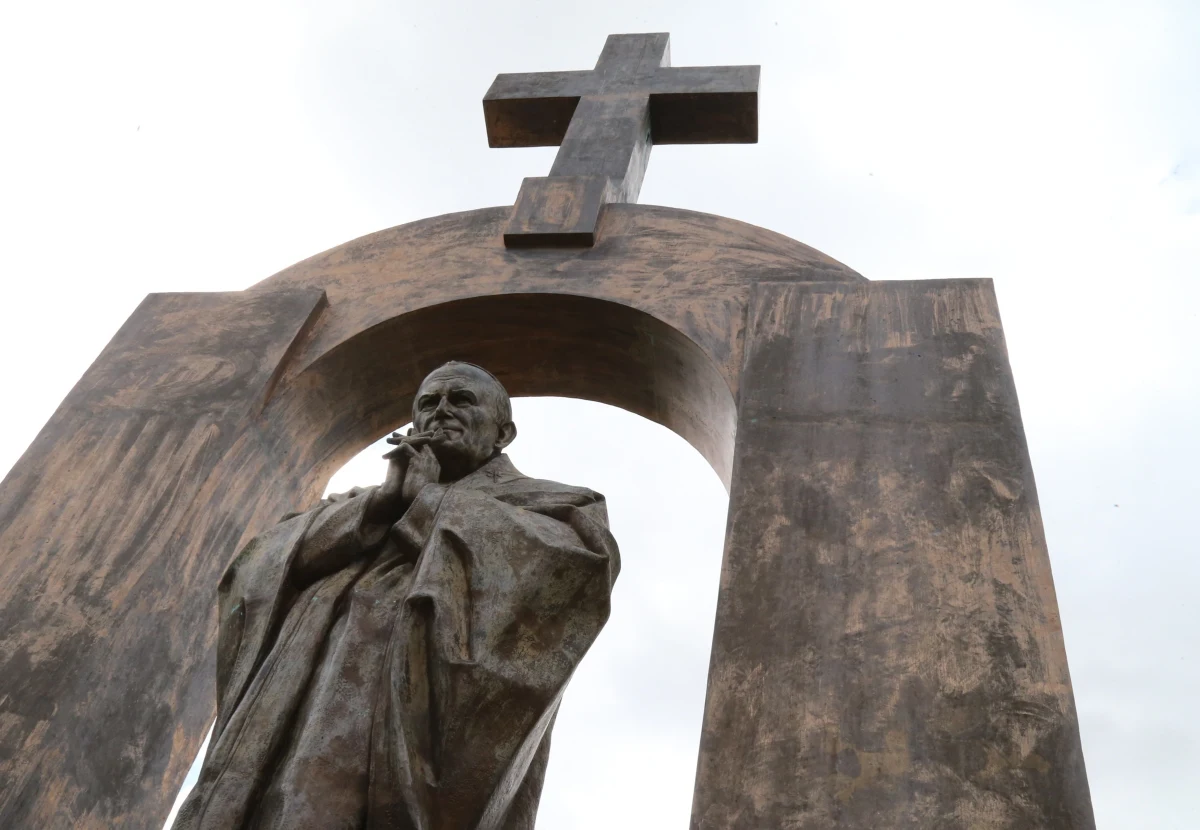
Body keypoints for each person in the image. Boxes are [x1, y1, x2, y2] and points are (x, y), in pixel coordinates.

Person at [174, 361, 620, 829]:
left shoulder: (559, 504)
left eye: (461, 400)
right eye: (428, 404)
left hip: (406, 718)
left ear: (503, 433)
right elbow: (255, 566)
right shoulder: (363, 501)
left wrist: (429, 501)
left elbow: (571, 575)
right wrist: (380, 504)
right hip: (300, 701)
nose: (441, 411)